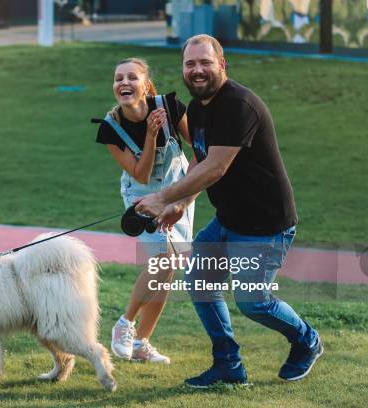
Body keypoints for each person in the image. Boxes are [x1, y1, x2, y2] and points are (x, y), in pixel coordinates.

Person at [136, 35, 322, 387]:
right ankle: (228, 364)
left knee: (253, 302)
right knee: (200, 280)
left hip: (266, 226)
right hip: (229, 220)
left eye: (205, 62)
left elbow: (217, 167)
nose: (197, 70)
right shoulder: (200, 106)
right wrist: (180, 202)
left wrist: (162, 198)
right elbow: (201, 158)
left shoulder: (239, 104)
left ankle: (306, 340)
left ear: (222, 64)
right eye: (190, 64)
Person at [96, 57, 196, 364]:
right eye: (118, 78)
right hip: (141, 196)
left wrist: (187, 195)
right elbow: (140, 174)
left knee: (169, 269)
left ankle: (142, 343)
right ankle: (124, 324)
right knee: (163, 260)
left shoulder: (170, 106)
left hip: (178, 191)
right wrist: (151, 137)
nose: (123, 83)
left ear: (146, 86)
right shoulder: (109, 128)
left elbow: (201, 149)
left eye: (131, 77)